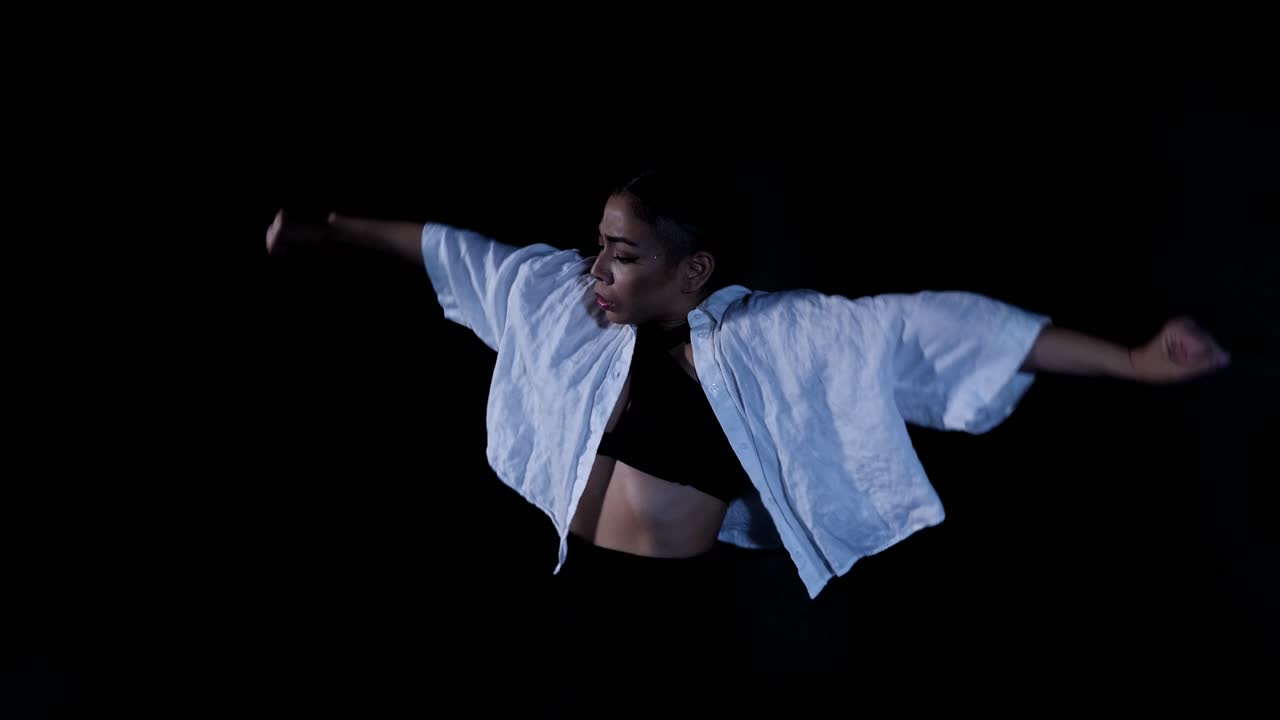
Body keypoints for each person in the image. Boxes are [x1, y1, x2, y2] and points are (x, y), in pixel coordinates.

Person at [264, 167, 1232, 668]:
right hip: (554, 584)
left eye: (623, 254)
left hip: (681, 620)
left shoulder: (780, 336)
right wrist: (328, 230)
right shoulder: (558, 299)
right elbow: (446, 248)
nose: (597, 270)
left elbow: (938, 329)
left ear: (691, 271)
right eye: (596, 245)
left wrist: (1136, 363)